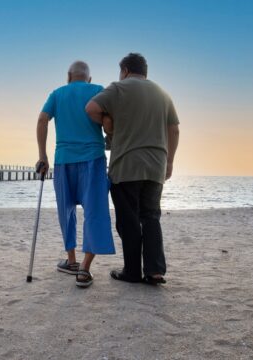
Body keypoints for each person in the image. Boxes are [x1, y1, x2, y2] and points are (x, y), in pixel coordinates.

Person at [86, 53, 180, 285]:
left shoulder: (119, 88)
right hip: (156, 165)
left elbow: (91, 108)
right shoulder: (162, 93)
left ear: (125, 70)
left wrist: (110, 125)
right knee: (151, 217)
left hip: (126, 165)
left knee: (127, 220)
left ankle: (132, 272)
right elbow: (175, 129)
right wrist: (170, 161)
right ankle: (155, 271)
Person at [36, 61, 115, 288]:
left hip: (64, 160)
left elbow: (42, 119)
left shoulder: (58, 93)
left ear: (68, 76)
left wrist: (43, 156)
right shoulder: (98, 90)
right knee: (95, 211)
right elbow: (108, 122)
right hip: (93, 158)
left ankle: (71, 260)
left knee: (66, 211)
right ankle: (84, 269)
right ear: (88, 79)